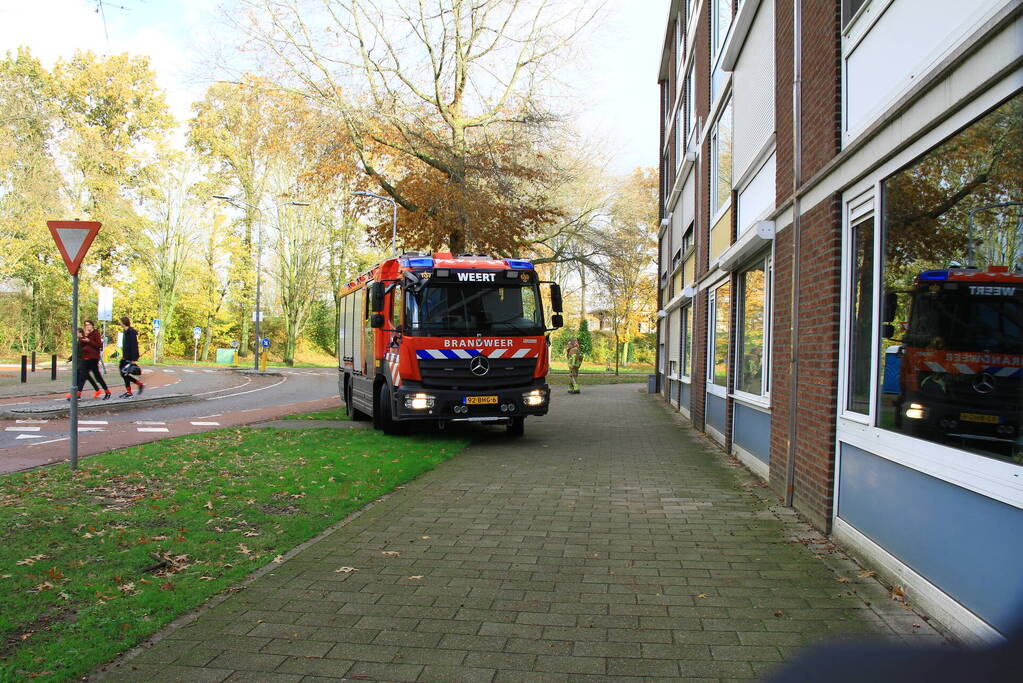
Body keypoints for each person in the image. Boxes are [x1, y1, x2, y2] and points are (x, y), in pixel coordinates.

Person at [79, 320, 110, 400]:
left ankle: (107, 391)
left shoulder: (96, 333)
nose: (87, 326)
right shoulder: (86, 334)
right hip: (85, 358)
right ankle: (78, 394)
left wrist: (89, 341)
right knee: (82, 376)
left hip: (93, 358)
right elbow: (82, 345)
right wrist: (83, 337)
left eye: (89, 325)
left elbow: (98, 345)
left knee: (97, 376)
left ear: (92, 325)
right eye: (85, 325)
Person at [118, 316, 144, 398]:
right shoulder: (125, 331)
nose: (119, 323)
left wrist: (134, 359)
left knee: (124, 373)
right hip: (125, 357)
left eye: (120, 322)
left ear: (124, 322)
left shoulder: (131, 332)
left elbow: (134, 346)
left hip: (130, 357)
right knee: (123, 373)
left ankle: (130, 392)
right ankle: (137, 386)